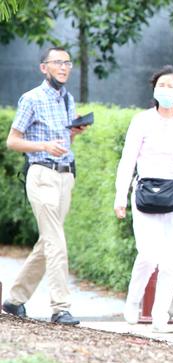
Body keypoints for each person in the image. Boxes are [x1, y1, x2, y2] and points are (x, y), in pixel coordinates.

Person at [3, 46, 87, 325]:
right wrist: (42, 146)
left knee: (48, 241)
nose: (64, 67)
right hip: (41, 175)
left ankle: (14, 300)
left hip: (66, 176)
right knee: (56, 242)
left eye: (67, 63)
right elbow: (12, 141)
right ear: (44, 67)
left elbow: (62, 146)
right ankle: (60, 307)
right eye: (57, 62)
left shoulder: (68, 99)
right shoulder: (32, 99)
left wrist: (72, 135)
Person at [114, 65, 173, 333]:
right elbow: (127, 161)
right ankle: (132, 301)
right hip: (144, 195)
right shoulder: (141, 120)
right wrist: (120, 196)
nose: (165, 90)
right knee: (147, 255)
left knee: (171, 261)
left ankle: (160, 315)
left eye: (170, 86)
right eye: (161, 85)